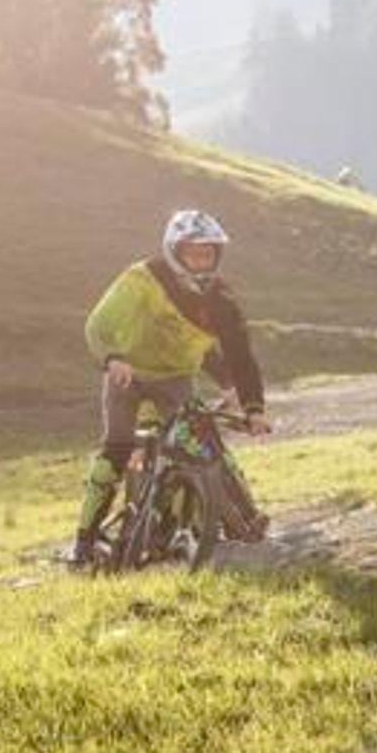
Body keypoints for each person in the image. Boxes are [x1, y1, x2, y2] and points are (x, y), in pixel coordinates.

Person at [71, 209, 270, 567]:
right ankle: (83, 542)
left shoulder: (221, 300)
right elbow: (99, 324)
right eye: (193, 253)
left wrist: (253, 408)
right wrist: (112, 358)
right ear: (174, 251)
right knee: (116, 450)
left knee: (205, 440)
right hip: (127, 375)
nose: (201, 261)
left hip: (175, 379)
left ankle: (245, 520)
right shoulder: (141, 278)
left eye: (208, 253)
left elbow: (240, 356)